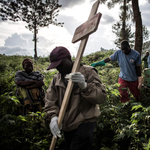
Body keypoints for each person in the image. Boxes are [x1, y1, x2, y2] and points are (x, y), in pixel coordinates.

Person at [44, 46, 107, 150]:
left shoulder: (88, 72)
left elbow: (102, 97)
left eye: (60, 64)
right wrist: (53, 117)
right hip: (66, 125)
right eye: (55, 65)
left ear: (69, 59)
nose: (58, 68)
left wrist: (85, 86)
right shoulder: (56, 79)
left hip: (84, 122)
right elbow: (50, 101)